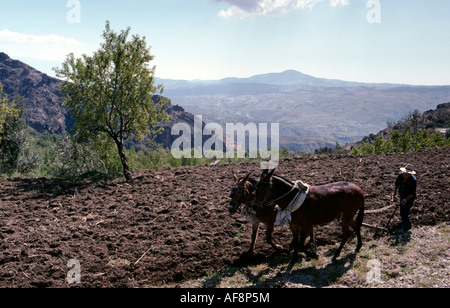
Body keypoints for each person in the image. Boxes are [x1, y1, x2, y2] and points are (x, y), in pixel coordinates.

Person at [393, 164, 417, 233]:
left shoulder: (413, 180)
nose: (405, 175)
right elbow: (396, 183)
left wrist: (405, 200)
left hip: (410, 198)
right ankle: (409, 225)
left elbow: (412, 193)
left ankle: (405, 228)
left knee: (404, 212)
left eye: (407, 174)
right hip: (402, 195)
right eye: (405, 173)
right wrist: (394, 193)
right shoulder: (400, 175)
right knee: (402, 212)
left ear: (410, 174)